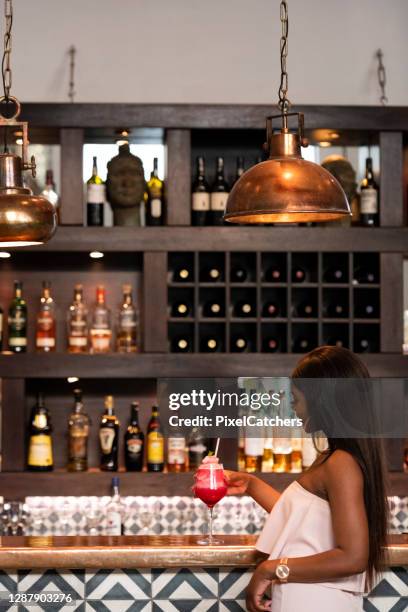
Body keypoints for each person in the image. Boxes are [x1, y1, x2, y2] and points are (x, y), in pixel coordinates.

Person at [225, 346, 388, 612]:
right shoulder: (332, 458)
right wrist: (251, 485)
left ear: (322, 400)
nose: (293, 408)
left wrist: (270, 569)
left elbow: (354, 556)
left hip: (317, 601)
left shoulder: (341, 463)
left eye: (295, 399)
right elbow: (303, 520)